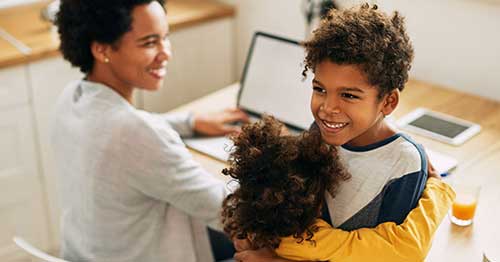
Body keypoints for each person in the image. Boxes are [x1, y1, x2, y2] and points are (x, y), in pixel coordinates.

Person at [235, 3, 436, 261]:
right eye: (320, 89)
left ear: (388, 102)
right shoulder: (319, 134)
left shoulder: (404, 164)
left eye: (349, 95)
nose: (327, 108)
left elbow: (384, 255)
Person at [51, 0, 247, 261]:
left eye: (165, 37)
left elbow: (126, 127)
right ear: (102, 49)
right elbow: (229, 211)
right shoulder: (135, 135)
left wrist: (190, 122)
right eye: (149, 42)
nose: (166, 53)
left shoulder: (72, 98)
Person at [224, 117, 455, 262]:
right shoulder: (313, 239)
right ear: (311, 201)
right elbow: (409, 248)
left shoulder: (257, 228)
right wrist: (438, 188)